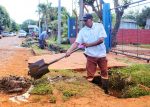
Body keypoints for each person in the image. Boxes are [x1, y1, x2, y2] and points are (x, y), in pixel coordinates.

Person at [66, 13, 109, 94]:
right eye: (83, 21)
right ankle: (90, 94)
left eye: (86, 20)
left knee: (104, 72)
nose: (85, 22)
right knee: (90, 75)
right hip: (90, 56)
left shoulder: (99, 26)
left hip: (101, 55)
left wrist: (89, 45)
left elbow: (101, 40)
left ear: (91, 19)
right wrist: (69, 51)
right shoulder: (82, 31)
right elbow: (76, 43)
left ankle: (105, 91)